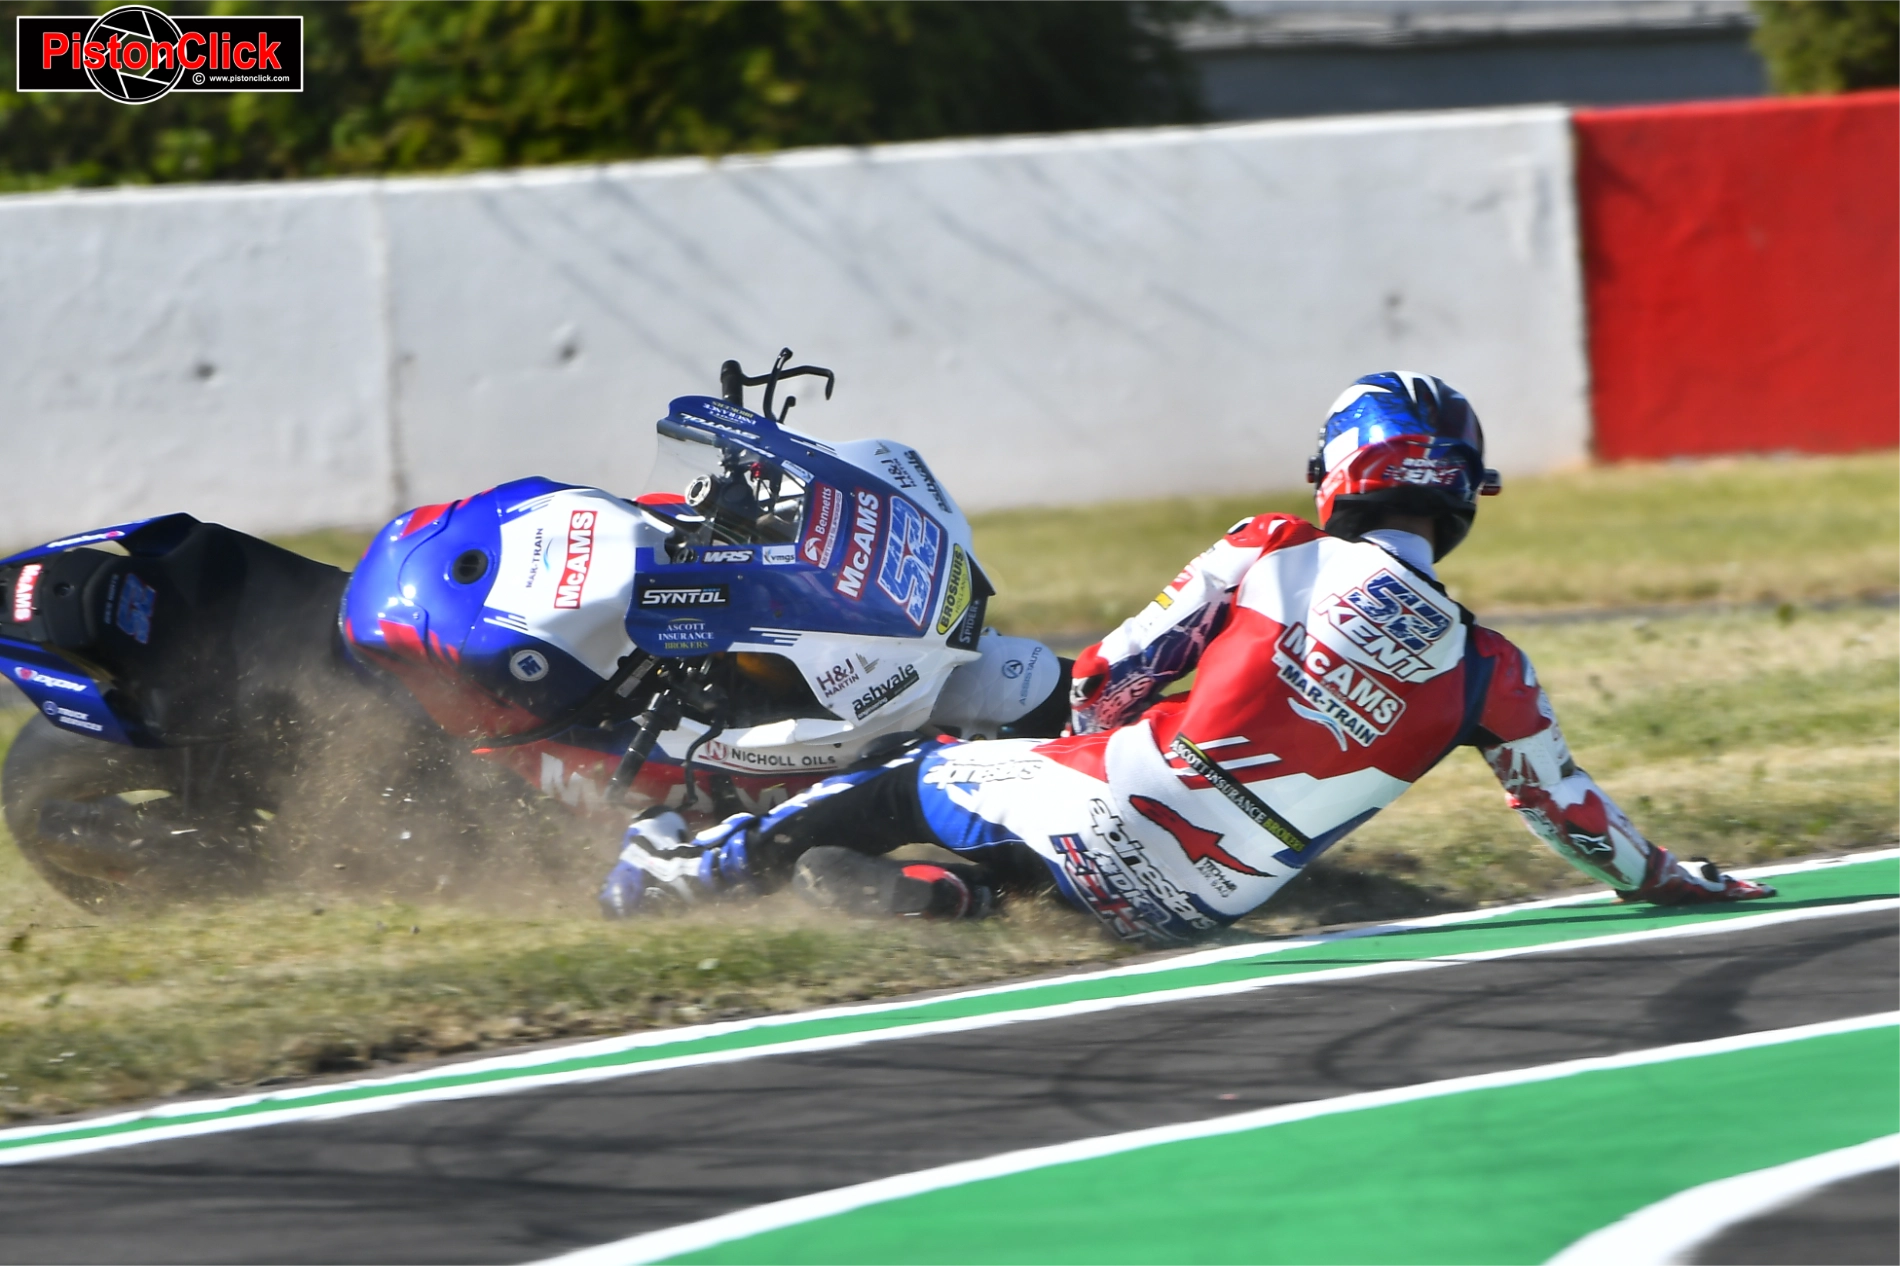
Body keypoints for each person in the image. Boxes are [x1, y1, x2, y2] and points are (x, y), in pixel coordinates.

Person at [600, 371, 1774, 941]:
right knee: (1072, 803)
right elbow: (1572, 817)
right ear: (1460, 492)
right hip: (1205, 905)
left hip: (1113, 809)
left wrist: (985, 737)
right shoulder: (1492, 673)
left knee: (933, 771)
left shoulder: (1274, 548)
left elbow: (1104, 680)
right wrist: (1678, 882)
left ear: (1340, 472)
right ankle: (953, 895)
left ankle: (689, 872)